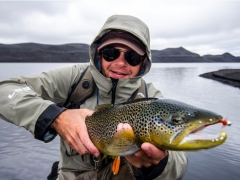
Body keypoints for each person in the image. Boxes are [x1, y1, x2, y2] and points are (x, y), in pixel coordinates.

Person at [0, 15, 188, 179]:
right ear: (99, 54)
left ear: (143, 62)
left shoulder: (151, 97)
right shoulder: (74, 79)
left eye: (132, 57)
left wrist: (158, 164)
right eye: (111, 53)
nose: (120, 63)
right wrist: (57, 117)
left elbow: (179, 163)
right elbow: (5, 90)